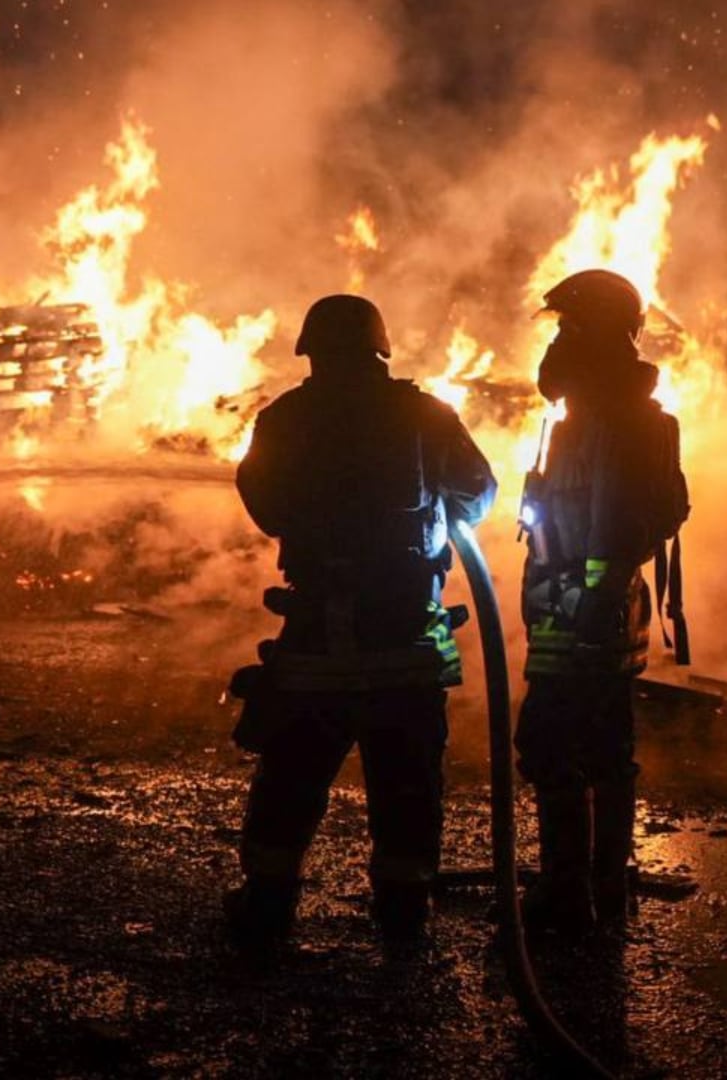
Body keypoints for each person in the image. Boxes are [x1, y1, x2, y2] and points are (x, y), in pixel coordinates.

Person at [226, 294, 497, 946]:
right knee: (407, 784)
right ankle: (404, 915)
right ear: (381, 349)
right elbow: (479, 490)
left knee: (291, 777)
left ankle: (267, 904)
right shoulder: (425, 414)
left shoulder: (285, 418)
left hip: (316, 633)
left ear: (312, 353)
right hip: (403, 634)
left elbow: (262, 501)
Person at [515, 269, 689, 933]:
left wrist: (596, 593)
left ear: (592, 332)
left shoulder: (615, 422)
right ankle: (603, 884)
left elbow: (625, 521)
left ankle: (569, 892)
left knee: (551, 744)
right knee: (605, 744)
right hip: (591, 606)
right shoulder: (594, 416)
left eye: (567, 325)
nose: (557, 339)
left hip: (583, 611)